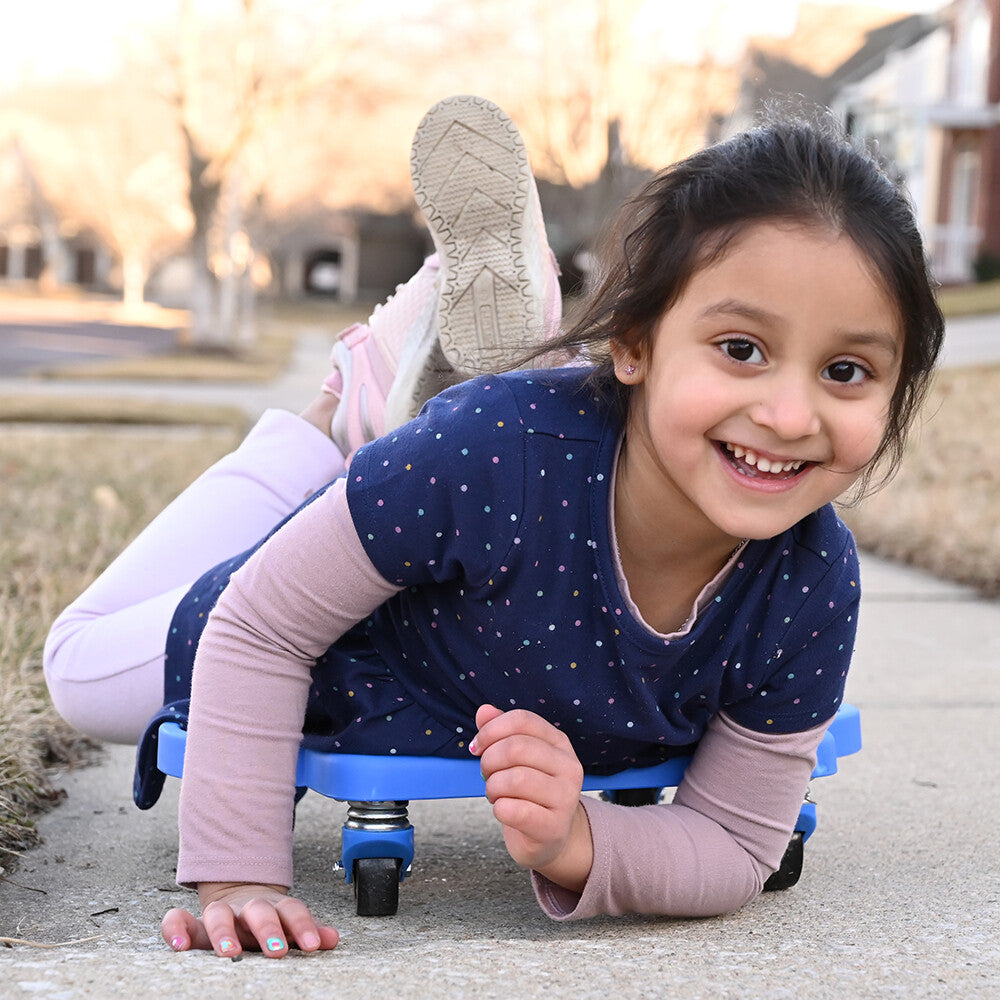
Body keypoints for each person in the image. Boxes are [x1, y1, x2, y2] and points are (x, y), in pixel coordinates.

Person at [47, 97, 943, 961]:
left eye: (846, 369)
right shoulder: (501, 450)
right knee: (78, 671)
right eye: (740, 348)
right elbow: (262, 627)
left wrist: (577, 841)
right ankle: (332, 422)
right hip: (344, 648)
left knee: (433, 474)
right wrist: (239, 874)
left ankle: (381, 436)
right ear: (630, 343)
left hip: (446, 522)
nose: (790, 415)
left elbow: (734, 847)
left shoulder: (810, 582)